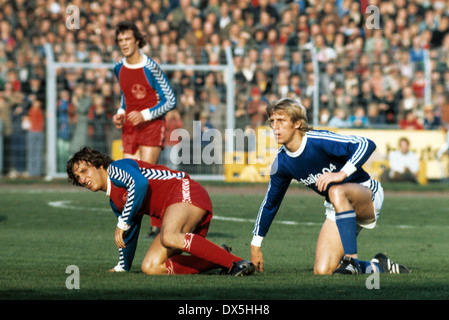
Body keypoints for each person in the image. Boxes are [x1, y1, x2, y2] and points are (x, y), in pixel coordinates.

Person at [250, 98, 410, 275]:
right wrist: (256, 244)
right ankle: (380, 265)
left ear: (297, 123)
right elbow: (270, 204)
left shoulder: (317, 140)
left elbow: (366, 144)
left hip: (366, 193)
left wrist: (342, 174)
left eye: (281, 121)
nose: (275, 127)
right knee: (324, 270)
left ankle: (351, 259)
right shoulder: (281, 162)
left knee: (336, 189)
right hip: (337, 206)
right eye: (272, 121)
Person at [66, 146, 255, 276]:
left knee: (169, 236)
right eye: (78, 177)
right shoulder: (115, 202)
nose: (82, 179)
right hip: (174, 212)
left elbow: (139, 184)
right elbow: (129, 234)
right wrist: (122, 267)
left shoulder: (116, 169)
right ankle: (217, 257)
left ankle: (236, 262)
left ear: (99, 165)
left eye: (84, 171)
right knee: (151, 266)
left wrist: (122, 222)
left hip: (184, 190)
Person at [112, 21, 177, 237]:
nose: (124, 44)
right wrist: (121, 113)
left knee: (148, 174)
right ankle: (131, 221)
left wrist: (145, 115)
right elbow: (125, 96)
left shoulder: (151, 67)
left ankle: (157, 223)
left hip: (150, 125)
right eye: (120, 40)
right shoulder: (118, 68)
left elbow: (170, 100)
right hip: (130, 128)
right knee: (126, 176)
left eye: (128, 39)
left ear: (137, 40)